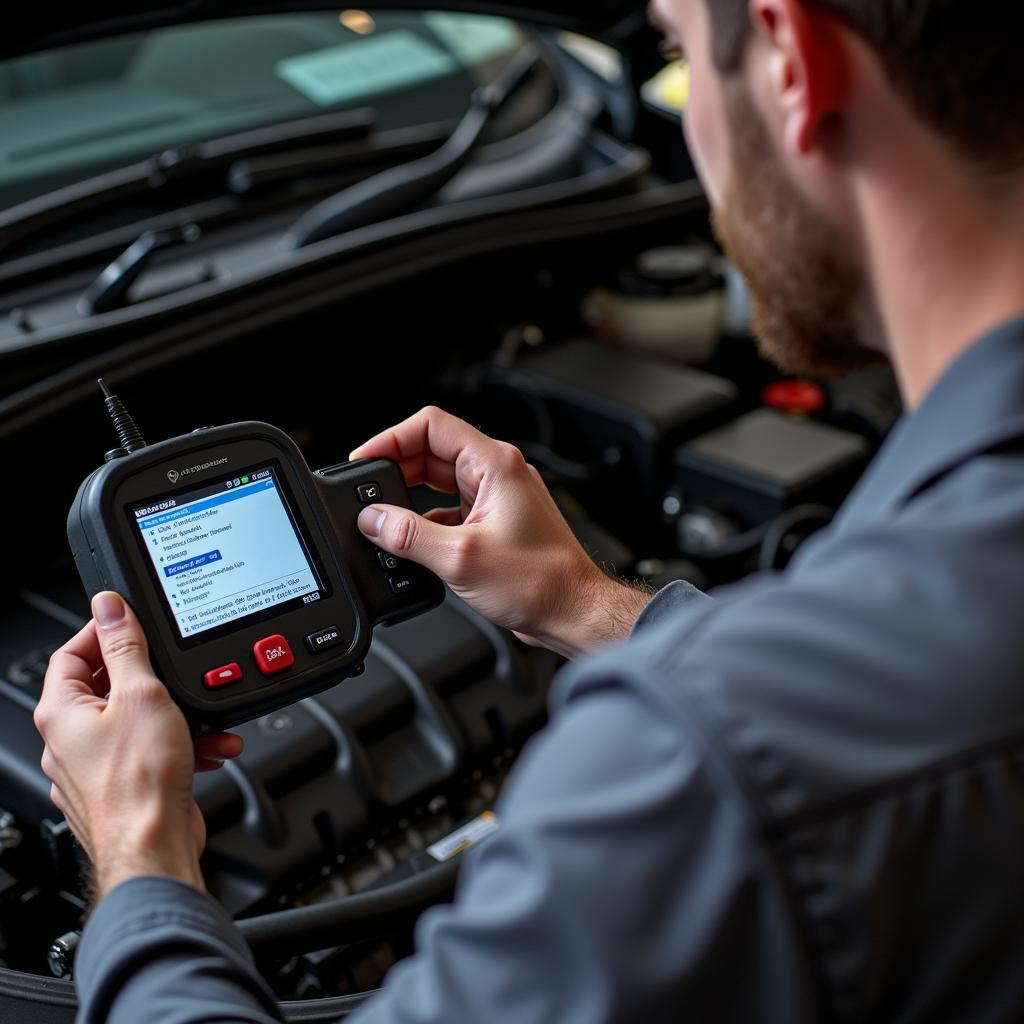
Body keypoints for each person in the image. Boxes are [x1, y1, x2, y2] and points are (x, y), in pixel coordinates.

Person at [34, 0, 1024, 1019]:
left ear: (790, 60)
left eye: (678, 55)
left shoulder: (703, 765)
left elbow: (779, 741)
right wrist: (595, 608)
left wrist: (138, 852)